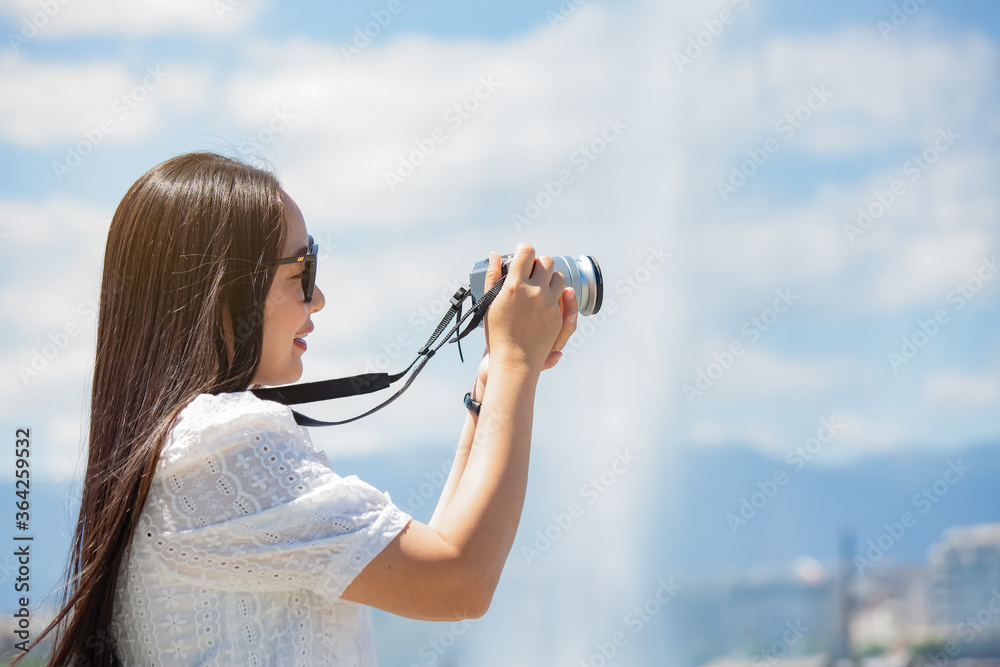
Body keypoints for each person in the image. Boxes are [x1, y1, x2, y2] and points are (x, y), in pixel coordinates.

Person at [29, 152, 578, 666]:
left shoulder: (174, 449)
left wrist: (492, 381)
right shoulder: (218, 446)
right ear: (223, 292)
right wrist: (515, 365)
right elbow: (459, 581)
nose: (318, 299)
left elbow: (440, 551)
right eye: (302, 270)